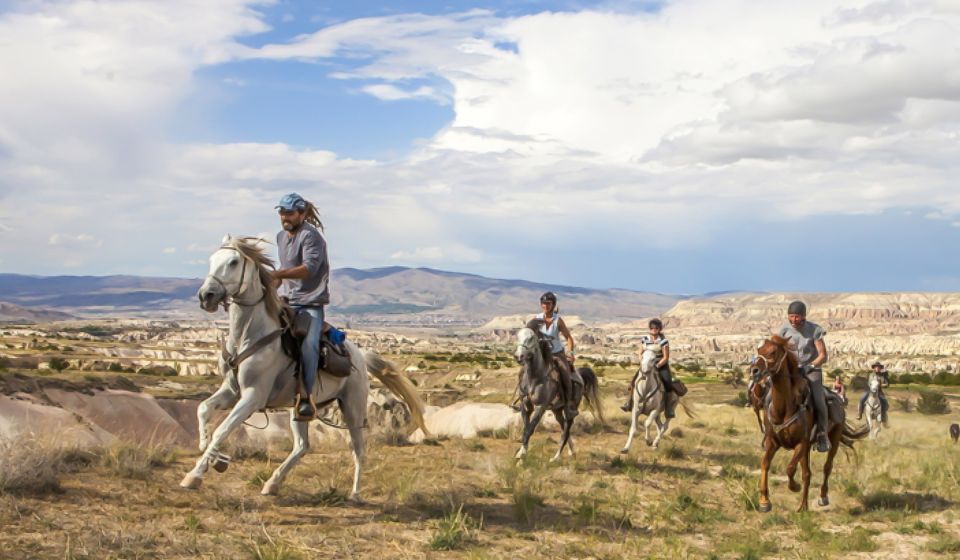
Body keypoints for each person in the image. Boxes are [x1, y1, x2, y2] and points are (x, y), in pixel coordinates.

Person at [271, 193, 329, 421]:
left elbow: (308, 269)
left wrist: (278, 273)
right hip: (288, 300)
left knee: (309, 345)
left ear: (302, 214)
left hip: (310, 303)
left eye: (289, 213)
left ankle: (306, 395)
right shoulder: (280, 237)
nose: (285, 217)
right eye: (282, 212)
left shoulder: (311, 237)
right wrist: (270, 286)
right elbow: (283, 271)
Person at [778, 300, 831, 452]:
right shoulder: (783, 330)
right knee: (770, 391)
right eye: (791, 316)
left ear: (803, 316)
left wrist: (810, 366)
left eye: (797, 317)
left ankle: (822, 434)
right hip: (791, 371)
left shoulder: (815, 330)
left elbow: (823, 355)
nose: (793, 320)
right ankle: (771, 428)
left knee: (818, 399)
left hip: (811, 370)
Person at [621, 318, 677, 418]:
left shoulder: (663, 341)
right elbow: (640, 351)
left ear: (659, 329)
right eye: (652, 328)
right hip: (646, 364)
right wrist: (641, 360)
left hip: (660, 365)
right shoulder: (645, 339)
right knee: (633, 382)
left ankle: (669, 409)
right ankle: (629, 403)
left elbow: (666, 357)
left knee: (668, 384)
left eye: (656, 328)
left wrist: (657, 365)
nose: (653, 330)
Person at [534, 292, 579, 417]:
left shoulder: (558, 320)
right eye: (543, 303)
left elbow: (568, 338)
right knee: (525, 370)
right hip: (541, 355)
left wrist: (570, 353)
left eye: (548, 303)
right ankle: (522, 399)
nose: (545, 306)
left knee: (565, 373)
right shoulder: (536, 319)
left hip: (557, 354)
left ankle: (569, 404)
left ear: (553, 304)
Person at [858, 361, 890, 425]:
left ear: (880, 368)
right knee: (862, 399)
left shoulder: (882, 376)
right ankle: (860, 413)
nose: (877, 368)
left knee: (886, 403)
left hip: (879, 392)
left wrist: (880, 385)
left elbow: (886, 384)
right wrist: (873, 386)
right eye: (876, 367)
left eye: (879, 367)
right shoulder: (871, 375)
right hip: (870, 390)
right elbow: (869, 383)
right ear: (874, 368)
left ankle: (883, 415)